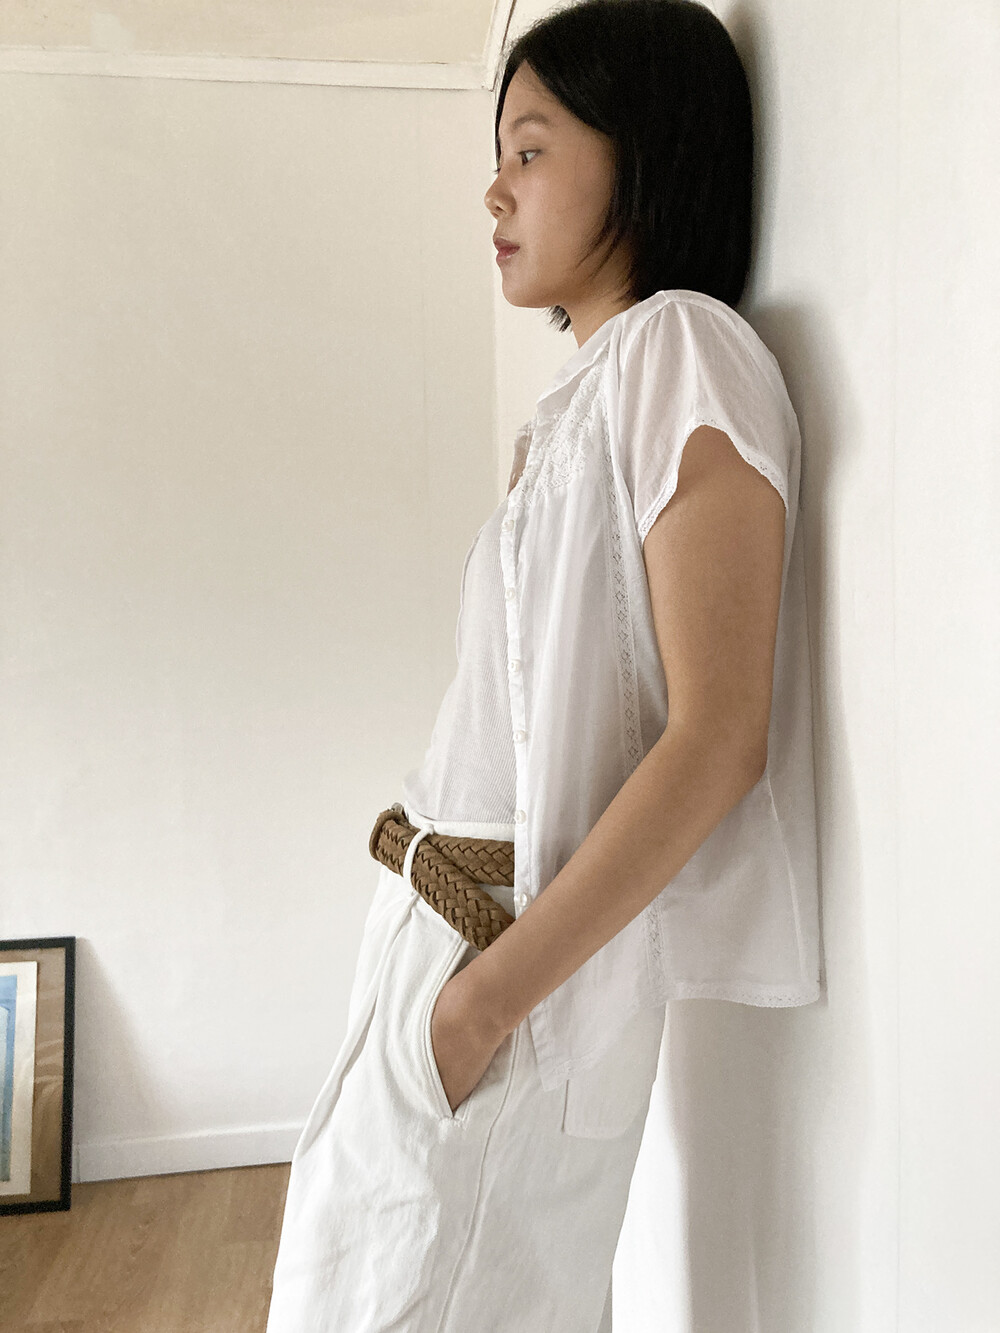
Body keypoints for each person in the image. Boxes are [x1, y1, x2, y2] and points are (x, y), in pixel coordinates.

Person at [265, 1, 823, 1329]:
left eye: (530, 148)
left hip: (504, 965)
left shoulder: (684, 351)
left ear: (643, 154)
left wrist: (483, 1006)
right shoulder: (587, 394)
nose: (495, 190)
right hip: (441, 938)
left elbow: (717, 739)